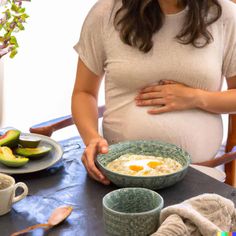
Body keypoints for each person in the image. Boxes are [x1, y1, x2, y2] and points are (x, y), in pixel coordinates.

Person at [72, 0, 236, 185]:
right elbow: (84, 93)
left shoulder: (225, 15)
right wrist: (92, 138)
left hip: (198, 175)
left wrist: (197, 98)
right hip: (119, 174)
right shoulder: (105, 13)